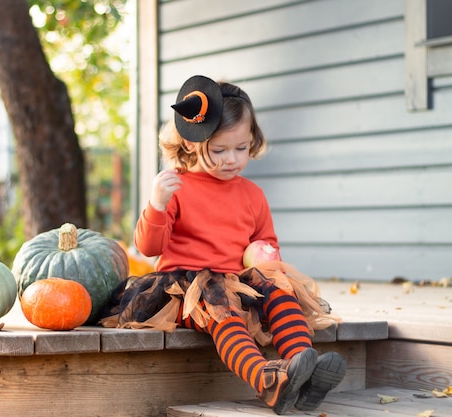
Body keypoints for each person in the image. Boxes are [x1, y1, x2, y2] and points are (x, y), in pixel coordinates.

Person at [100, 75, 346, 415]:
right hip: (187, 290)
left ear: (253, 141)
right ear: (192, 143)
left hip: (237, 280)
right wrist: (157, 204)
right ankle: (267, 381)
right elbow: (148, 246)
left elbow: (267, 245)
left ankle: (300, 373)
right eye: (219, 150)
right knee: (223, 309)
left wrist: (267, 256)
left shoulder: (252, 195)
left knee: (279, 288)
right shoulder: (177, 187)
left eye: (241, 148)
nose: (231, 159)